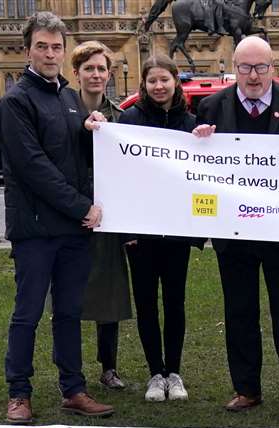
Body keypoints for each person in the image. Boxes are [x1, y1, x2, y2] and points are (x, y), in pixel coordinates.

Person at [0, 11, 113, 421]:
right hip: (35, 229)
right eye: (42, 46)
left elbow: (75, 160)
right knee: (27, 313)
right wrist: (83, 206)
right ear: (27, 49)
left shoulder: (68, 97)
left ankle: (73, 389)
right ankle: (19, 393)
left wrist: (92, 131)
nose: (50, 54)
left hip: (71, 231)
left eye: (56, 47)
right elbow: (34, 168)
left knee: (68, 312)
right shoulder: (16, 101)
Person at [193, 35, 279, 415]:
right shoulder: (211, 106)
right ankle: (246, 388)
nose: (252, 76)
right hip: (233, 233)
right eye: (244, 67)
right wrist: (200, 142)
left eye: (260, 67)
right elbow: (196, 168)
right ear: (233, 68)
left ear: (273, 68)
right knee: (239, 311)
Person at [117, 54, 198, 404]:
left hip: (178, 229)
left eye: (165, 79)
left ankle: (174, 372)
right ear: (144, 85)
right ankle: (155, 373)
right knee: (147, 303)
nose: (159, 86)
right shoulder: (129, 120)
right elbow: (118, 175)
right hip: (141, 230)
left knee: (175, 301)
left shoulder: (192, 122)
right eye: (152, 81)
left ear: (175, 81)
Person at [71, 41, 133, 392]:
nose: (95, 74)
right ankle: (72, 370)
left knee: (108, 297)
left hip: (107, 221)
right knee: (69, 297)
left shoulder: (119, 118)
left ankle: (108, 367)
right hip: (71, 216)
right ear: (77, 73)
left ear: (109, 75)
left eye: (100, 69)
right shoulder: (62, 110)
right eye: (88, 68)